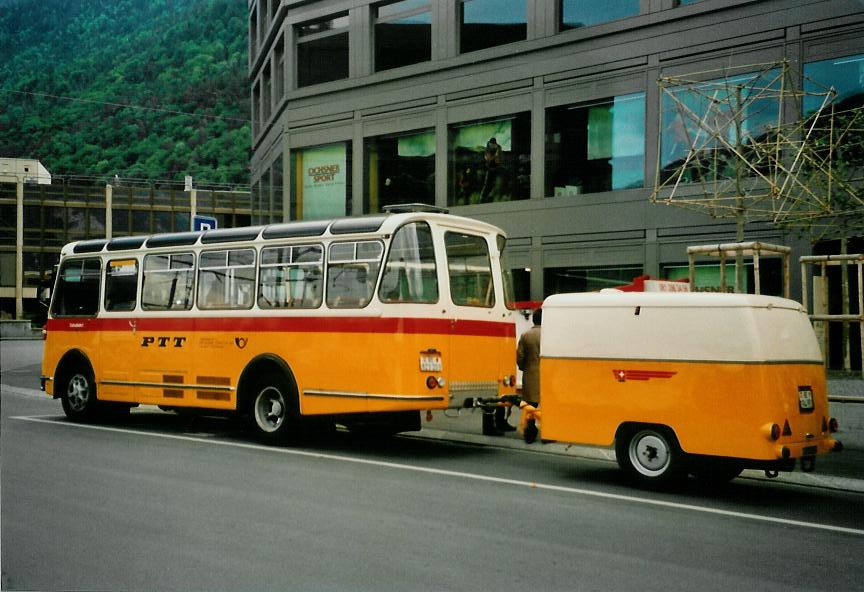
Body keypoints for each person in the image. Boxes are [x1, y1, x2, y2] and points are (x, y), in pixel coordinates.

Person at [517, 308, 542, 442]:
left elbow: (520, 356)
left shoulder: (526, 335)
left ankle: (529, 432)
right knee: (546, 406)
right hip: (548, 375)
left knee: (530, 405)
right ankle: (547, 434)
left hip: (530, 373)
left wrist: (523, 367)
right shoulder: (550, 335)